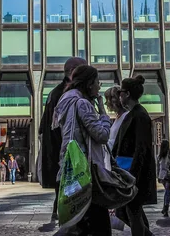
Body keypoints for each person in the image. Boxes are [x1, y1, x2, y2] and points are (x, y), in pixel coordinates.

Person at [55, 64, 111, 235]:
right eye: (97, 82)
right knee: (99, 226)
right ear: (89, 84)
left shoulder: (65, 100)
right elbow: (102, 135)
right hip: (85, 173)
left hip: (68, 170)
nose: (99, 87)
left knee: (77, 225)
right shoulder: (83, 104)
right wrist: (103, 112)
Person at [38, 56, 86, 222]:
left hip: (60, 148)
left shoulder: (56, 92)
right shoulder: (69, 93)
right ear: (73, 72)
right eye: (83, 70)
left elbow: (43, 125)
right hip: (67, 149)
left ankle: (59, 210)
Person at [113, 75, 157, 236]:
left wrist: (133, 176)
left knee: (132, 211)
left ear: (127, 94)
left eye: (121, 92)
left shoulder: (139, 115)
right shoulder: (133, 114)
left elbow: (141, 148)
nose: (119, 96)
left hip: (134, 172)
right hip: (128, 171)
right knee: (126, 211)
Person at [104, 85, 128, 169]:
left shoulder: (126, 117)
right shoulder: (118, 117)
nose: (106, 103)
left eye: (107, 99)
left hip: (119, 162)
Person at [157, 139, 170, 217]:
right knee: (167, 192)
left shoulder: (159, 155)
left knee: (167, 192)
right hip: (168, 175)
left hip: (162, 176)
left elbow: (158, 167)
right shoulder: (169, 155)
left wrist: (158, 177)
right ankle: (166, 209)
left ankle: (164, 208)